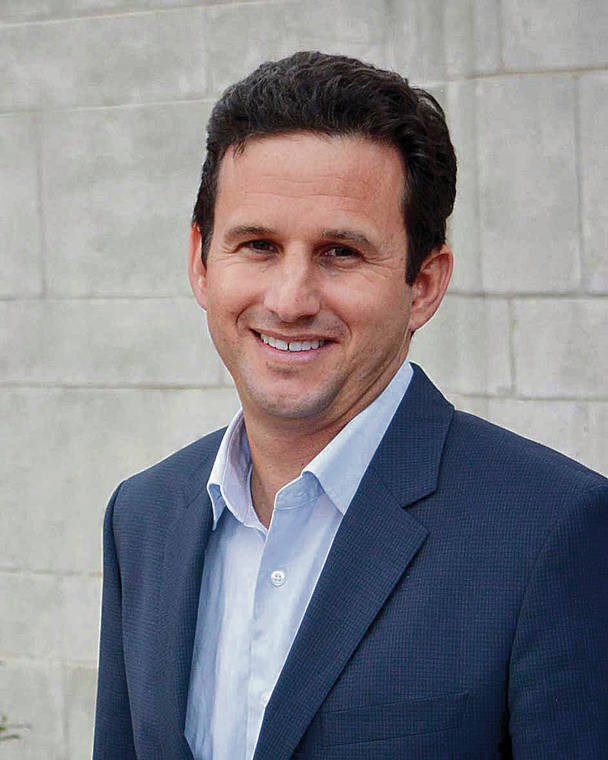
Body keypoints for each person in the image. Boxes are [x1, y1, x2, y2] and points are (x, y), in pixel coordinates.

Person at [93, 51, 608, 759]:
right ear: (201, 262)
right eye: (258, 245)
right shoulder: (143, 516)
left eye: (340, 252)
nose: (290, 300)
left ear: (424, 284)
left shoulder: (553, 532)